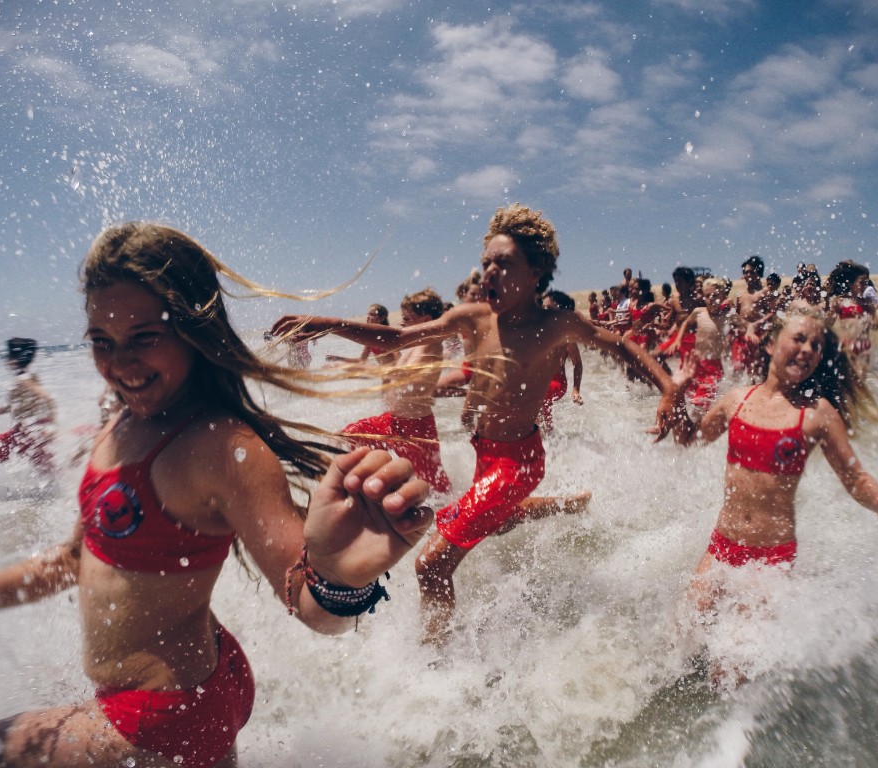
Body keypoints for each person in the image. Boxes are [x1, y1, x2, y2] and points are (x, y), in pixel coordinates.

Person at [0, 223, 432, 767]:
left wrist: (338, 581)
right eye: (102, 342)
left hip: (166, 711)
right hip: (199, 687)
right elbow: (74, 559)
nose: (119, 364)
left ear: (194, 330)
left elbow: (308, 604)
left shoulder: (218, 447)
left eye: (144, 336)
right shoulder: (119, 426)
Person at [271, 204, 681, 645]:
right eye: (486, 262)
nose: (490, 272)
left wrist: (669, 389)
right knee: (496, 521)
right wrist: (327, 324)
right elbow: (398, 338)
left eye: (503, 264)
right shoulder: (472, 317)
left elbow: (618, 344)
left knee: (430, 564)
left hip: (518, 462)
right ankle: (567, 504)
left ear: (536, 269)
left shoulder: (555, 324)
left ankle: (436, 658)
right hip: (485, 453)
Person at [668, 308, 878, 683]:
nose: (807, 349)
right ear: (771, 344)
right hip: (720, 547)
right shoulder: (736, 400)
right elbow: (689, 439)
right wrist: (675, 391)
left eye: (816, 346)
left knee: (729, 674)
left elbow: (855, 478)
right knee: (678, 648)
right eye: (799, 339)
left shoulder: (818, 415)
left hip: (769, 562)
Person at [340, 289, 452, 495]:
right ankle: (369, 489)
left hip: (417, 430)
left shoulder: (431, 346)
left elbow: (403, 377)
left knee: (437, 490)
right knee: (347, 437)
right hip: (392, 421)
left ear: (425, 320)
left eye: (407, 318)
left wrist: (360, 369)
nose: (401, 322)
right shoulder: (412, 345)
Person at [0, 337, 56, 475]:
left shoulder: (22, 378)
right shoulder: (31, 376)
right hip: (30, 432)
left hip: (23, 433)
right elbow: (11, 407)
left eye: (7, 355)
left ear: (13, 358)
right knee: (49, 472)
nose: (6, 358)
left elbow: (47, 397)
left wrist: (52, 425)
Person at [668, 277, 731, 413]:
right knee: (687, 399)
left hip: (713, 367)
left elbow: (744, 325)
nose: (711, 299)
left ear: (723, 296)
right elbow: (686, 322)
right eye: (708, 296)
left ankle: (700, 429)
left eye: (715, 296)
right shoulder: (699, 312)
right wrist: (677, 339)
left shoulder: (728, 315)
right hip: (696, 364)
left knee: (700, 404)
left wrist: (750, 330)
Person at [537, 290, 583, 433]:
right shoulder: (538, 331)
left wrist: (576, 389)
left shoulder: (566, 336)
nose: (543, 312)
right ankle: (542, 435)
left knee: (538, 396)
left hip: (557, 382)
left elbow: (577, 363)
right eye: (541, 308)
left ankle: (546, 435)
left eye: (548, 309)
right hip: (538, 380)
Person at [826, 260, 878, 385]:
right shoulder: (840, 302)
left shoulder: (868, 303)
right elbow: (827, 324)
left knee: (861, 379)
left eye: (866, 283)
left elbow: (876, 325)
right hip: (846, 345)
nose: (864, 286)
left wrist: (867, 320)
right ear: (850, 283)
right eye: (861, 283)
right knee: (847, 381)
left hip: (863, 346)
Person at [730, 255, 766, 381]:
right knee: (737, 368)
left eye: (751, 272)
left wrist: (757, 326)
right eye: (745, 272)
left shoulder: (764, 292)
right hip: (741, 336)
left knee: (756, 371)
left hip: (758, 336)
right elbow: (736, 316)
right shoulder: (740, 294)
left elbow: (771, 315)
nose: (748, 275)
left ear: (759, 273)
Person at [324, 304, 394, 367]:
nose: (368, 317)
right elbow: (362, 360)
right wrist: (338, 358)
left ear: (382, 318)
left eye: (372, 314)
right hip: (384, 373)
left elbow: (397, 355)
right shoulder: (370, 338)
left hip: (394, 372)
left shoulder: (387, 334)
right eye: (368, 314)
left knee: (341, 367)